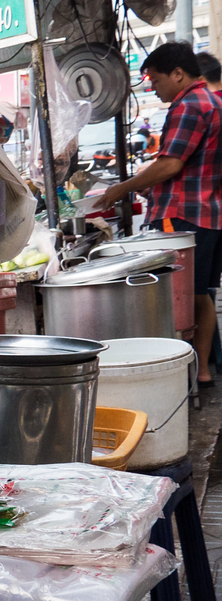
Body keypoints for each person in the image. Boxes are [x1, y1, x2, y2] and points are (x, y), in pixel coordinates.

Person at [104, 43, 222, 385]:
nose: (154, 88)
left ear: (178, 74)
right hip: (210, 215)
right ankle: (200, 372)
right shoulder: (216, 102)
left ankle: (179, 374)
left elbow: (171, 163)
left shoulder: (188, 105)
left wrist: (121, 188)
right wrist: (149, 183)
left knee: (179, 299)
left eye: (155, 81)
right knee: (202, 295)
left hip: (182, 216)